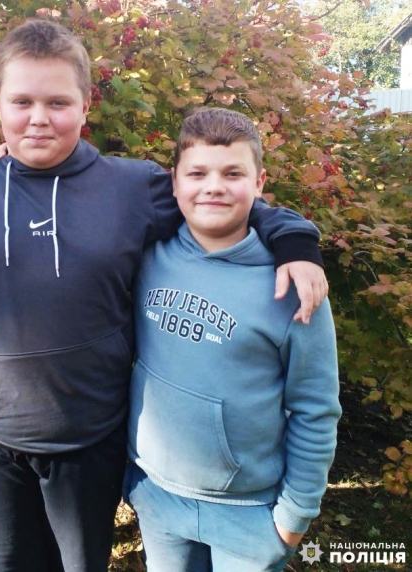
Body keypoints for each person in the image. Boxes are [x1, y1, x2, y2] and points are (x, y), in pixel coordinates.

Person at [0, 20, 329, 572]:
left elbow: (216, 196)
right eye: (22, 102)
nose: (39, 117)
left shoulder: (133, 189)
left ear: (85, 105)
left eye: (57, 102)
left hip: (91, 441)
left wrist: (294, 240)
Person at [125, 107, 341, 572]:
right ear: (174, 182)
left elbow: (315, 407)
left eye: (233, 173)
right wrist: (11, 162)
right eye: (197, 173)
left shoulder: (294, 286)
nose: (214, 186)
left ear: (259, 183)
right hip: (157, 496)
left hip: (249, 513)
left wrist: (294, 518)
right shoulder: (145, 255)